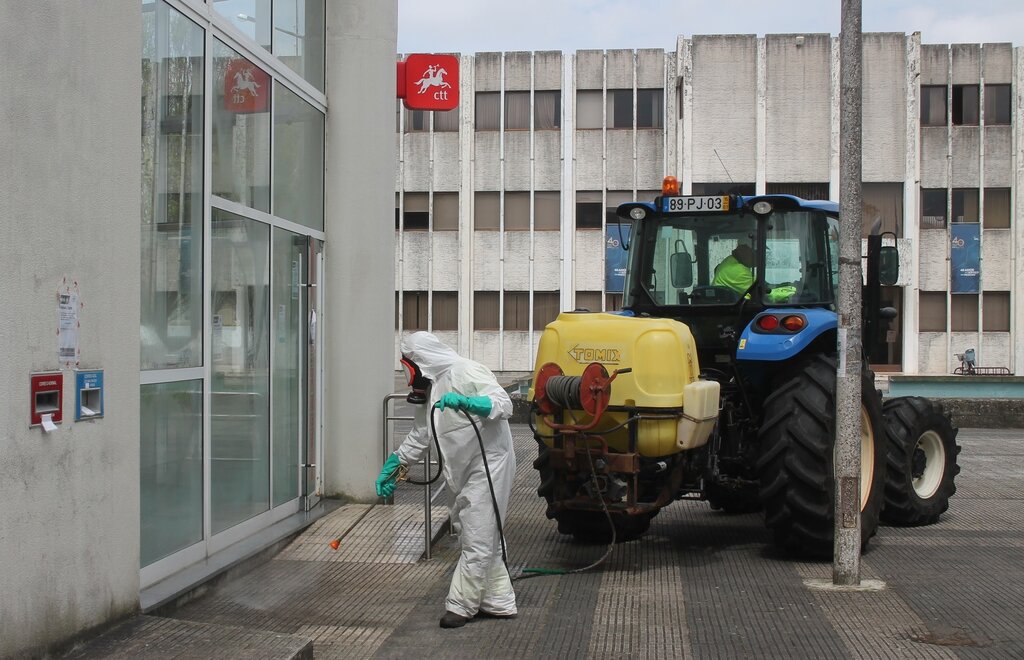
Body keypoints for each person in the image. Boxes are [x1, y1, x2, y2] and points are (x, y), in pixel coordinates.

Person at [376, 331, 517, 629]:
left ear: (419, 362)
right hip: (461, 469)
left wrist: (470, 402)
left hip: (488, 464)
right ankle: (498, 600)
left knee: (478, 534)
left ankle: (461, 605)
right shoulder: (431, 389)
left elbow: (504, 404)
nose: (407, 375)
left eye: (407, 366)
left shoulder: (467, 370)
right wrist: (397, 464)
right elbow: (421, 434)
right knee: (477, 532)